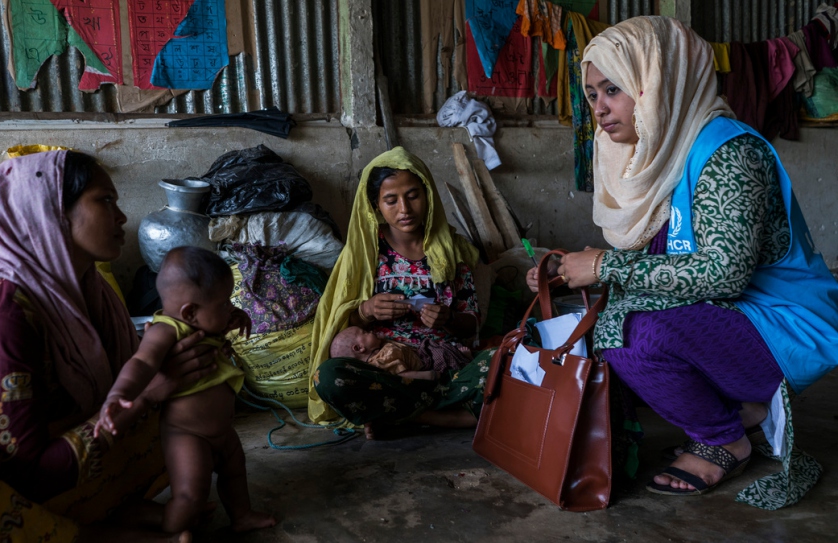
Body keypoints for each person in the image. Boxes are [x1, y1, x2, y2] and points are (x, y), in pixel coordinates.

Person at [527, 16, 838, 504]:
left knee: (626, 331)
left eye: (614, 89)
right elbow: (658, 258)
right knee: (603, 319)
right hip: (729, 320)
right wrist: (571, 273)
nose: (600, 109)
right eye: (591, 94)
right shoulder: (652, 151)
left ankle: (724, 440)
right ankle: (748, 411)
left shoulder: (727, 151)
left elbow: (725, 273)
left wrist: (605, 266)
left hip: (785, 325)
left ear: (658, 83)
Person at [0, 151, 228, 542]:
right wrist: (145, 398)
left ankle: (112, 517)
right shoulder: (1, 319)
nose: (121, 216)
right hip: (4, 489)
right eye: (105, 200)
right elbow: (24, 475)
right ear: (51, 211)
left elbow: (124, 388)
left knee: (198, 400)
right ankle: (96, 534)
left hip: (62, 462)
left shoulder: (91, 296)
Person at [308, 146, 490, 439]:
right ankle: (451, 416)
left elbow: (472, 322)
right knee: (329, 377)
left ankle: (410, 417)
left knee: (505, 363)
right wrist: (366, 311)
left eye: (413, 196)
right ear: (375, 205)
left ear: (427, 194)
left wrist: (448, 319)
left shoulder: (453, 250)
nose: (404, 209)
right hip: (387, 376)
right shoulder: (365, 253)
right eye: (391, 200)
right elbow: (342, 327)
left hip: (446, 368)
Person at [96, 245, 275, 534]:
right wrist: (119, 394)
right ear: (189, 312)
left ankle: (241, 515)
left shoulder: (201, 322)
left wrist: (232, 317)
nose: (230, 307)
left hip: (223, 431)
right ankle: (163, 523)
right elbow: (141, 363)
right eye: (224, 303)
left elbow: (213, 323)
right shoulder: (164, 331)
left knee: (235, 471)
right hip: (188, 435)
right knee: (190, 497)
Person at [329, 324, 472, 379]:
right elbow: (404, 375)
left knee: (437, 347)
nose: (371, 331)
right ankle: (464, 359)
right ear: (359, 348)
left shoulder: (379, 350)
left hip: (420, 354)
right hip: (425, 365)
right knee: (443, 355)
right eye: (365, 332)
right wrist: (428, 375)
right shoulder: (381, 361)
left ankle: (458, 354)